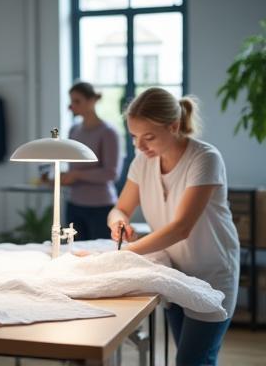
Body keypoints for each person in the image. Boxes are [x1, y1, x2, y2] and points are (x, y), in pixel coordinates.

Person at [108, 87, 239, 365]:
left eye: (149, 137)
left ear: (175, 126)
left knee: (193, 360)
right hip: (173, 272)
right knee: (189, 359)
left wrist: (122, 254)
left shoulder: (205, 158)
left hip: (211, 274)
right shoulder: (143, 161)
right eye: (134, 137)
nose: (139, 146)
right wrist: (118, 221)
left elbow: (181, 228)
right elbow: (121, 208)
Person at [61, 82, 122, 240]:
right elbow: (73, 167)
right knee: (73, 252)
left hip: (100, 207)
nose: (71, 106)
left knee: (101, 254)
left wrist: (76, 175)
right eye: (71, 101)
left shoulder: (108, 132)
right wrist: (63, 177)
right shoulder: (73, 130)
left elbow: (111, 173)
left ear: (92, 101)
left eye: (77, 101)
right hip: (74, 204)